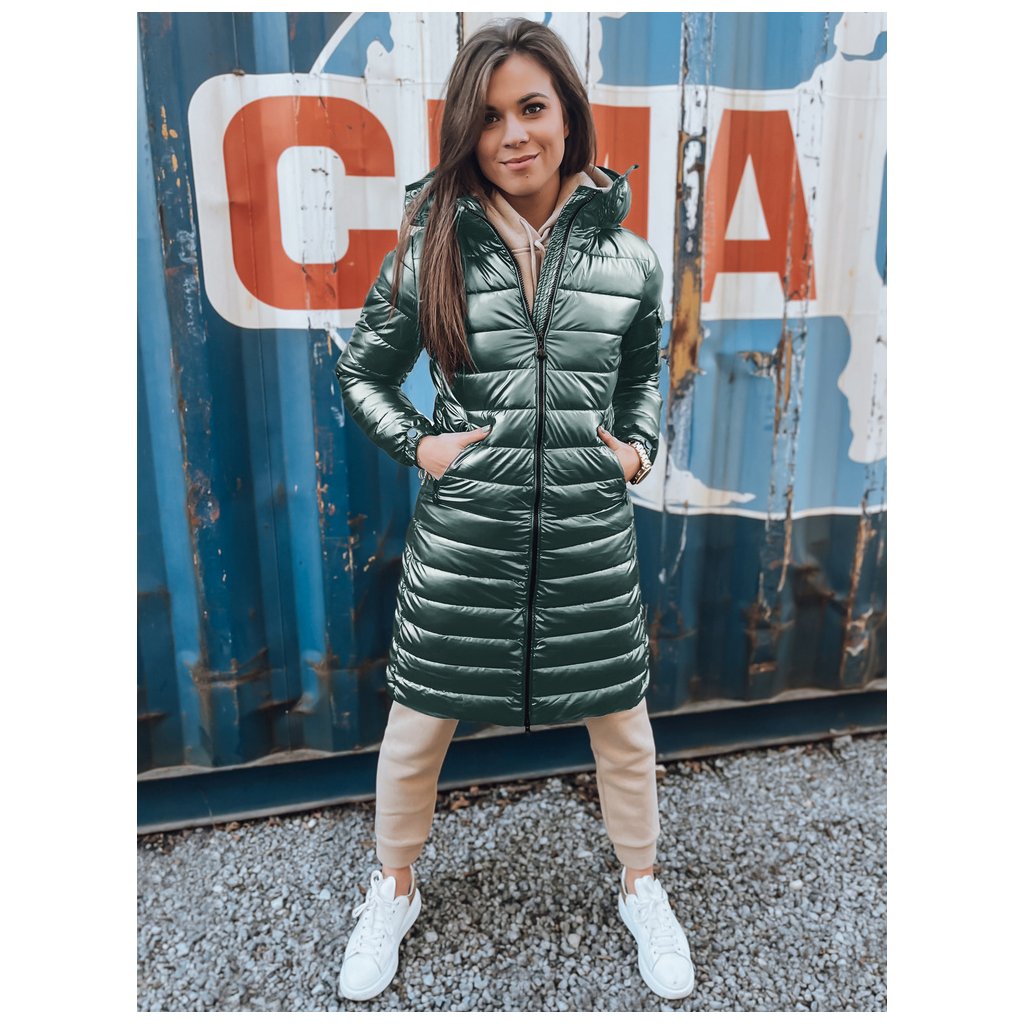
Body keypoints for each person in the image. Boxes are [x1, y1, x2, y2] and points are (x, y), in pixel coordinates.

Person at [332, 17, 694, 1005]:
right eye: (489, 117)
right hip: (465, 543)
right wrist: (422, 445)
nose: (513, 135)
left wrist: (637, 448)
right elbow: (362, 373)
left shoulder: (630, 261)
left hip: (587, 538)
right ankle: (394, 887)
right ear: (467, 131)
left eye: (532, 107)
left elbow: (644, 370)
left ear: (568, 116)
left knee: (624, 730)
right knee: (415, 732)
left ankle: (642, 885)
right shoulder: (430, 251)